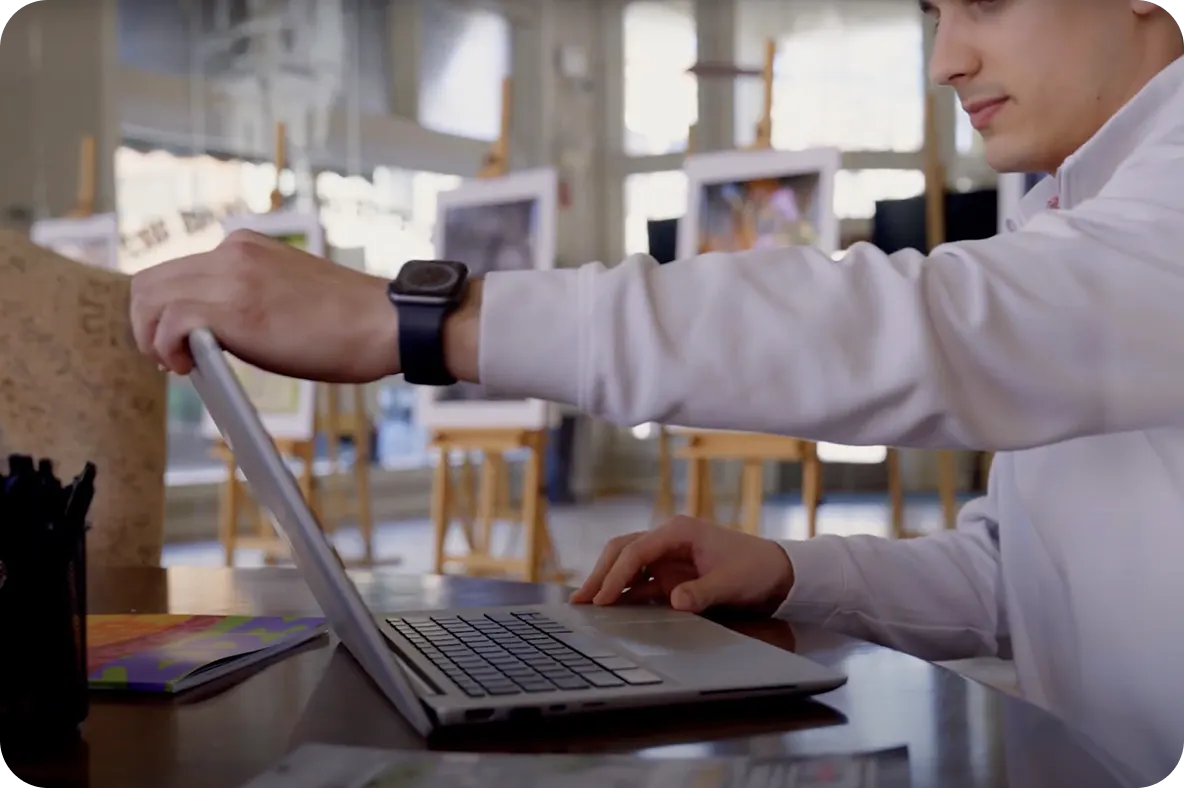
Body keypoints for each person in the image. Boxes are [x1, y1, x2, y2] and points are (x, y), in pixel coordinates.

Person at [130, 1, 1184, 783]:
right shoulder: (1075, 214)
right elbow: (1019, 579)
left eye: (982, 3)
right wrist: (787, 569)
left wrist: (414, 318)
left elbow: (921, 329)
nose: (945, 59)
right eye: (928, 13)